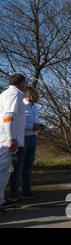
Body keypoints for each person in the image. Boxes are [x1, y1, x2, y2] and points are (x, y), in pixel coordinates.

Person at [9, 86, 45, 201]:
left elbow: (35, 122)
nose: (38, 96)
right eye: (36, 94)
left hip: (33, 138)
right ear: (30, 96)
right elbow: (16, 123)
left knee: (28, 166)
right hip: (22, 138)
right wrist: (31, 126)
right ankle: (14, 193)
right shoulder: (21, 106)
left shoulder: (34, 107)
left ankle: (26, 191)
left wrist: (39, 126)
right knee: (17, 166)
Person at [0, 74, 26, 210]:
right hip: (6, 138)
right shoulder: (14, 94)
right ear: (21, 83)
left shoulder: (5, 93)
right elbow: (8, 116)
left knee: (5, 169)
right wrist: (11, 138)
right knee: (4, 170)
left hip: (5, 136)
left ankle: (1, 198)